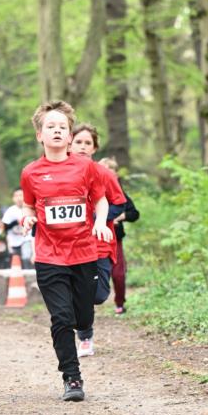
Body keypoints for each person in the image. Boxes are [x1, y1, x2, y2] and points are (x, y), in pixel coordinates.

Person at [20, 100, 112, 402]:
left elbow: (100, 199)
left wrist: (100, 221)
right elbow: (30, 203)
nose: (57, 131)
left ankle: (85, 326)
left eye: (63, 127)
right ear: (40, 135)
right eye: (51, 126)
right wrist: (28, 215)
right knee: (61, 318)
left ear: (70, 136)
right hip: (49, 256)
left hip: (84, 253)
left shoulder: (86, 167)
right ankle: (72, 378)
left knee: (82, 317)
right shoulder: (31, 172)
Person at [70, 124, 125, 356]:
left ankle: (82, 315)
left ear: (94, 148)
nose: (82, 147)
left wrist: (96, 218)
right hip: (71, 245)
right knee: (78, 293)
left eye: (87, 143)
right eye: (78, 142)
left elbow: (119, 203)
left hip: (99, 244)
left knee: (99, 295)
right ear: (69, 144)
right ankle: (85, 336)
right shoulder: (61, 173)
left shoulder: (104, 174)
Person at [98, 156, 140, 314]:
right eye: (104, 170)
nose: (107, 173)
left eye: (111, 170)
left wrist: (120, 216)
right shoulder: (90, 189)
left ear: (116, 174)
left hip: (115, 238)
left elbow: (134, 213)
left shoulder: (120, 193)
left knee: (118, 274)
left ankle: (119, 303)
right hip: (93, 238)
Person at [1, 188, 33, 267]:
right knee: (16, 261)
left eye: (21, 195)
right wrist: (15, 222)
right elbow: (4, 227)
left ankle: (28, 274)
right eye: (16, 196)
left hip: (27, 239)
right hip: (14, 241)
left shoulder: (30, 209)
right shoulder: (10, 211)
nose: (19, 198)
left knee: (26, 257)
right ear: (13, 198)